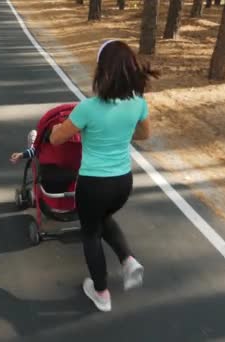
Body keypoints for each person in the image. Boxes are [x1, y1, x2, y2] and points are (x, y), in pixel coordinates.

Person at [49, 40, 159, 312]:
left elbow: (57, 139)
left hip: (93, 185)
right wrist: (118, 131)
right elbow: (144, 134)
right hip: (122, 183)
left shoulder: (89, 108)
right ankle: (128, 259)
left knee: (90, 234)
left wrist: (55, 130)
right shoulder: (138, 103)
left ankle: (100, 292)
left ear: (103, 71)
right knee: (103, 217)